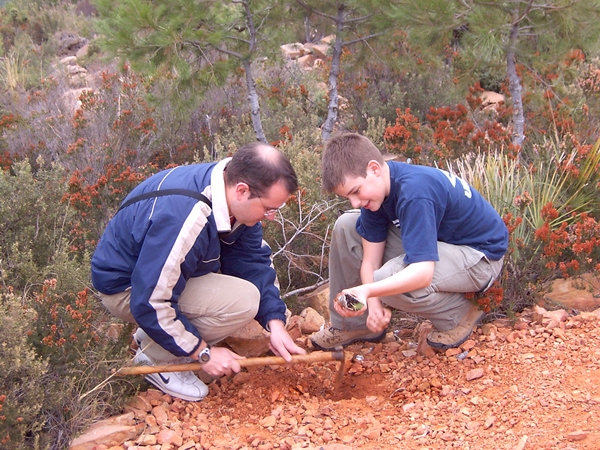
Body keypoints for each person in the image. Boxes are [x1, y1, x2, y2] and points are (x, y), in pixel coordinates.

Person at [91, 142, 306, 402]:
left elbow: (252, 260)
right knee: (243, 301)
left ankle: (153, 337)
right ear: (242, 190)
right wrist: (203, 353)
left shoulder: (231, 190)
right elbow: (150, 301)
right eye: (269, 208)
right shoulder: (188, 215)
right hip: (126, 288)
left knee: (252, 296)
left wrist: (275, 322)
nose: (271, 217)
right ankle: (159, 360)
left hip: (162, 275)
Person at [311, 133, 508, 351]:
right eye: (348, 197)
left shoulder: (414, 192)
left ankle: (458, 313)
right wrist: (373, 305)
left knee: (386, 280)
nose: (355, 202)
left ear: (374, 169)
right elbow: (370, 261)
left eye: (355, 191)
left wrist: (369, 291)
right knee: (347, 225)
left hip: (480, 258)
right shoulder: (378, 191)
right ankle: (357, 325)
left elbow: (422, 272)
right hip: (443, 245)